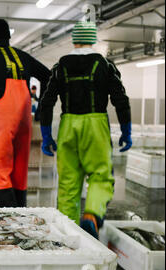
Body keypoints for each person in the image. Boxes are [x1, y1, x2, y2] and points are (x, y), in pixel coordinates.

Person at [38, 21, 132, 239]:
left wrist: (46, 136)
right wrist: (126, 130)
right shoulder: (104, 65)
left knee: (68, 183)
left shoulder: (60, 66)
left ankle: (66, 234)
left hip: (68, 125)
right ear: (92, 39)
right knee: (101, 176)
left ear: (74, 39)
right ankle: (91, 215)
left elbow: (47, 102)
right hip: (95, 124)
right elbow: (120, 99)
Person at [0, 19, 51, 208]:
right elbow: (49, 75)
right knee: (19, 172)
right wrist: (42, 109)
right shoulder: (23, 56)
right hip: (24, 118)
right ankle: (21, 214)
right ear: (8, 36)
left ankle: (6, 222)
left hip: (1, 120)